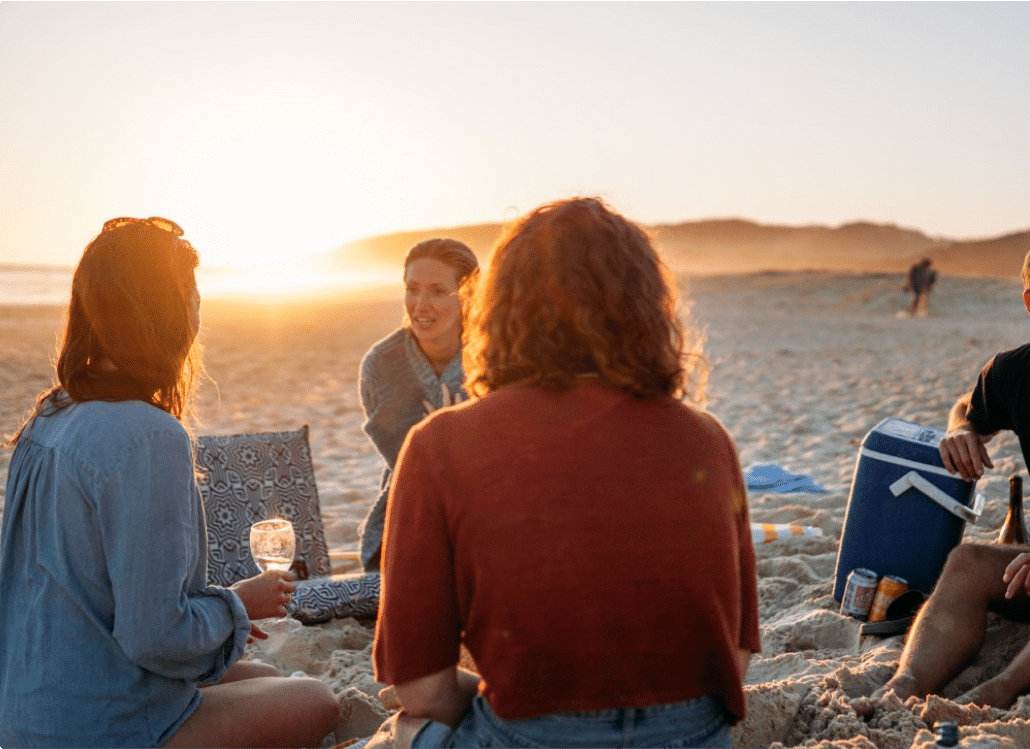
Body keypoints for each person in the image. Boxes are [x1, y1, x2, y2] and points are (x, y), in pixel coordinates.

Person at [372, 198, 760, 747]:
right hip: (691, 734)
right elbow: (736, 657)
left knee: (405, 729)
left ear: (499, 307)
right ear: (647, 306)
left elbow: (420, 687)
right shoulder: (707, 439)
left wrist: (506, 701)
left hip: (534, 735)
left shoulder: (440, 445)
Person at [0, 217, 339, 748]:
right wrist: (237, 604)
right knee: (317, 700)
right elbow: (155, 637)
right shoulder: (148, 434)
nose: (198, 313)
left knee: (267, 679)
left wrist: (220, 618)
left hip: (28, 707)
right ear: (163, 312)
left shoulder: (48, 416)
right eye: (192, 298)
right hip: (99, 724)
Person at [878, 229, 1030, 709]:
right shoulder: (1015, 373)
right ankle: (905, 685)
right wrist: (959, 429)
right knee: (968, 562)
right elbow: (966, 409)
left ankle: (1000, 690)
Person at [356, 238, 479, 572]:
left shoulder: (493, 357)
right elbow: (406, 463)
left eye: (438, 291)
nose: (420, 305)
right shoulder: (381, 365)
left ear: (467, 295)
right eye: (412, 289)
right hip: (411, 505)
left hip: (488, 508)